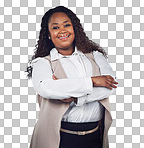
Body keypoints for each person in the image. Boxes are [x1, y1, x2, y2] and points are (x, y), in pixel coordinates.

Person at [26, 6, 118, 148]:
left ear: (75, 29)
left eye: (67, 25)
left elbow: (110, 87)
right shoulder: (42, 63)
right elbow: (47, 88)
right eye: (55, 27)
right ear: (49, 34)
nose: (62, 31)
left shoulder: (96, 56)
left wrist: (74, 96)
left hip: (94, 137)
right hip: (59, 139)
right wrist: (93, 81)